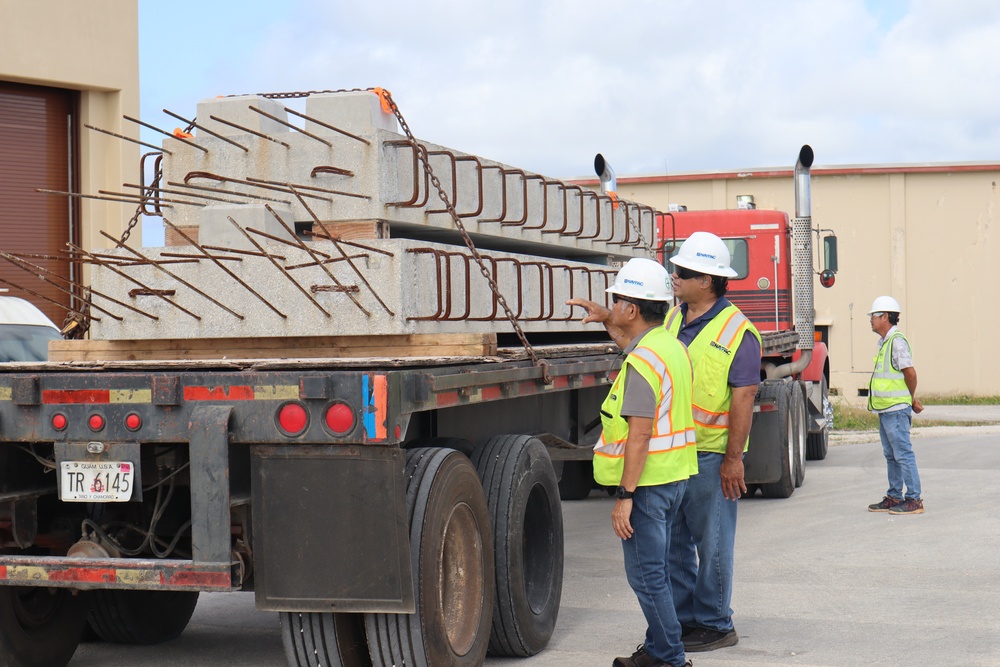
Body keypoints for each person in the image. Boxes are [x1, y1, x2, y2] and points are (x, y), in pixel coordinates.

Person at [567, 257, 697, 667]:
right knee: (661, 572)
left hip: (648, 485)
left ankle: (671, 659)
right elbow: (632, 344)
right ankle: (660, 650)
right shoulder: (669, 346)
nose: (616, 305)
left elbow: (639, 434)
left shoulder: (642, 362)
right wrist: (608, 317)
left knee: (647, 575)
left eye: (619, 300)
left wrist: (625, 496)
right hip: (675, 477)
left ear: (633, 309)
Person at [664, 232, 761, 653]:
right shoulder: (671, 319)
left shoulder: (739, 331)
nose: (674, 276)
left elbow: (744, 397)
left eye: (681, 272)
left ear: (706, 280)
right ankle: (686, 620)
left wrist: (732, 460)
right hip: (675, 454)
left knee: (713, 542)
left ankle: (716, 623)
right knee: (675, 544)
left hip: (711, 455)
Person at [865, 296, 925, 515]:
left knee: (903, 454)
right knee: (891, 455)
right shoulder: (884, 342)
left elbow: (910, 373)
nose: (871, 320)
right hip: (886, 409)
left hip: (896, 410)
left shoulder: (897, 342)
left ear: (886, 317)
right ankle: (894, 496)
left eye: (874, 316)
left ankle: (914, 499)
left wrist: (910, 398)